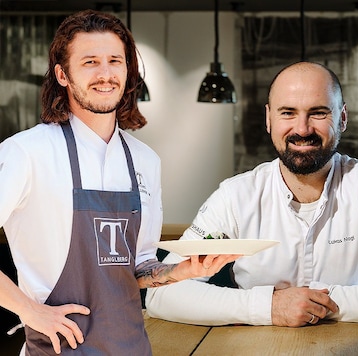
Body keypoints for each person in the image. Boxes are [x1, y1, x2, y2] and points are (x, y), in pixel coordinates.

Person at [0, 10, 237, 355]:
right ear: (62, 75)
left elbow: (137, 268)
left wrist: (183, 270)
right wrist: (29, 310)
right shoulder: (26, 152)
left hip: (130, 345)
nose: (106, 73)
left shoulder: (145, 160)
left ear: (128, 71)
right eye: (90, 62)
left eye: (115, 61)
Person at [145, 61, 358, 327]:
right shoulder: (236, 195)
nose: (302, 129)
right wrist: (270, 307)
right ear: (269, 119)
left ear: (342, 119)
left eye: (318, 112)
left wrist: (307, 303)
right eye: (287, 113)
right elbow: (163, 294)